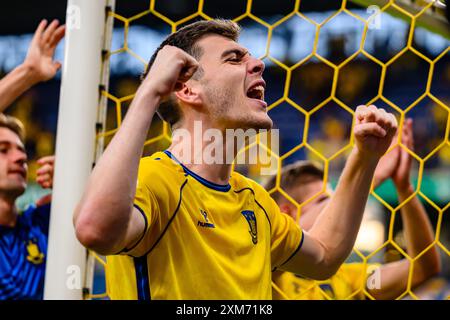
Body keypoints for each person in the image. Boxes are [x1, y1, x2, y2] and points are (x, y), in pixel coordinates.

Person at [73, 19, 398, 300]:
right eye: (234, 59)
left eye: (252, 57)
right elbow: (94, 229)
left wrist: (365, 157)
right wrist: (150, 92)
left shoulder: (254, 199)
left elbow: (325, 256)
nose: (257, 64)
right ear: (186, 89)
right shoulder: (156, 180)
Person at [267, 119, 441, 300]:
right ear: (286, 213)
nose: (336, 206)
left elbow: (422, 267)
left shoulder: (347, 278)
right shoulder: (269, 270)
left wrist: (404, 187)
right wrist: (366, 178)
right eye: (324, 201)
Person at [0, 19, 64, 299]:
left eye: (20, 150)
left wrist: (76, 180)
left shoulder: (42, 220)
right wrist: (28, 72)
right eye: (3, 150)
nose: (19, 157)